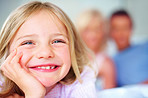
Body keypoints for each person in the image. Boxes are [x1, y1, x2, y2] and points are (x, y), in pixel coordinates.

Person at [0, 1, 97, 98]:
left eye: (57, 41)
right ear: (7, 51)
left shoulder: (80, 80)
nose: (46, 53)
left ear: (73, 49)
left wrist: (34, 94)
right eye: (28, 43)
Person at [76, 9, 116, 90]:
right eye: (87, 30)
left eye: (97, 29)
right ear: (80, 31)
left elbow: (109, 94)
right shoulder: (70, 57)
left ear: (103, 32)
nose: (92, 34)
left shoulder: (107, 63)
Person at [109, 9, 148, 87]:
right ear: (110, 32)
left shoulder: (145, 47)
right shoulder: (110, 62)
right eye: (116, 29)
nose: (121, 33)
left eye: (125, 28)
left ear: (131, 29)